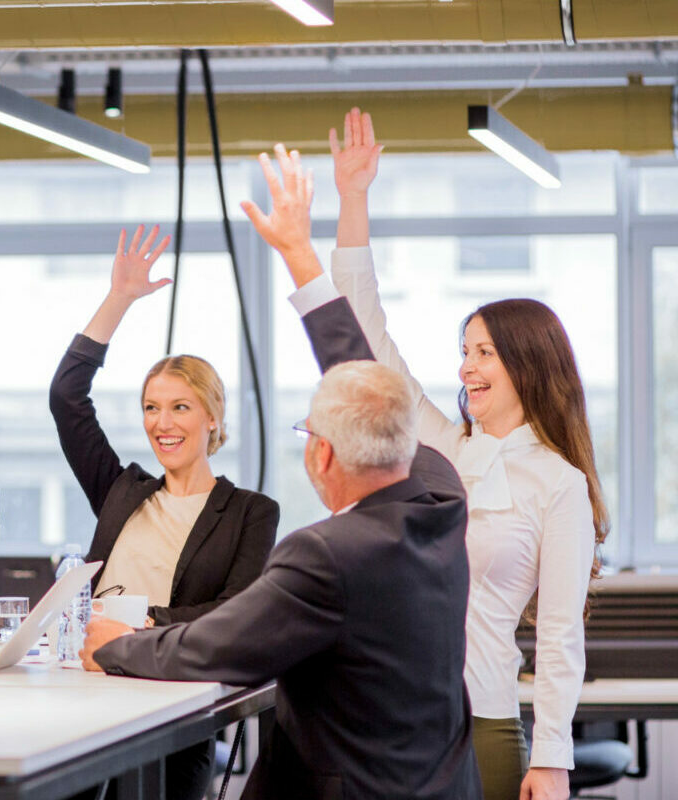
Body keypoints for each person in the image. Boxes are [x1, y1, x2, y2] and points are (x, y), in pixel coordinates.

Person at [245, 110, 606, 800]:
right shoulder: (442, 448)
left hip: (486, 720)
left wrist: (554, 757)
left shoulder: (558, 483)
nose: (467, 368)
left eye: (485, 353)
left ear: (530, 364)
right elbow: (365, 333)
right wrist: (354, 200)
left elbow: (561, 636)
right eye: (463, 352)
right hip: (394, 720)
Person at [80, 354, 481, 800]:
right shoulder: (444, 508)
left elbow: (220, 645)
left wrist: (119, 644)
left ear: (322, 453)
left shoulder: (323, 552)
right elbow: (399, 436)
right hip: (444, 784)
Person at [49, 225, 279, 800]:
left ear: (212, 418)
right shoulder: (123, 490)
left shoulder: (251, 512)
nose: (162, 422)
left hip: (169, 698)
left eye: (180, 407)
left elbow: (235, 612)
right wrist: (118, 300)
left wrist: (137, 624)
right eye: (152, 407)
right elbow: (65, 397)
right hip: (87, 692)